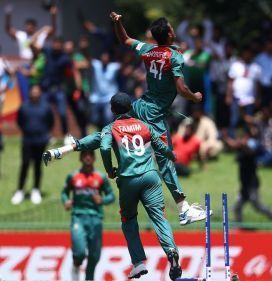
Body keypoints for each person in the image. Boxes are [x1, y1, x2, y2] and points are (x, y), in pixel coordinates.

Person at [43, 13, 208, 226]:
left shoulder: (149, 49)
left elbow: (125, 40)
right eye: (171, 28)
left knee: (109, 131)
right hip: (154, 113)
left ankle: (65, 149)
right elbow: (181, 87)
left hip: (140, 104)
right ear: (169, 33)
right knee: (165, 160)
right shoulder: (174, 57)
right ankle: (183, 209)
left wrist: (118, 22)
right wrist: (194, 97)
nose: (173, 30)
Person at [100, 93, 181, 279]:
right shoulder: (144, 125)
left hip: (128, 179)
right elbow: (161, 147)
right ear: (130, 108)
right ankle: (171, 252)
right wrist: (171, 155)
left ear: (113, 110)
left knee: (128, 219)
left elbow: (104, 148)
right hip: (150, 176)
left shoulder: (111, 127)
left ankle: (138, 263)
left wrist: (109, 169)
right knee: (159, 217)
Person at [61, 151, 115, 281]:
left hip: (95, 218)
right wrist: (66, 201)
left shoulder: (100, 177)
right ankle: (75, 265)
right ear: (81, 158)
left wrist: (102, 200)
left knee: (94, 255)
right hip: (78, 217)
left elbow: (111, 196)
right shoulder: (73, 176)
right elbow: (64, 192)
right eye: (84, 155)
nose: (87, 157)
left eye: (90, 155)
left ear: (94, 158)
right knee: (79, 252)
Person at [226, 121, 272, 223]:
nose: (239, 136)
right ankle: (240, 226)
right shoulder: (242, 144)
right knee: (238, 207)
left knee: (257, 205)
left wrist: (241, 144)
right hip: (245, 183)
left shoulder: (253, 143)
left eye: (242, 135)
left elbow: (249, 151)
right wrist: (225, 138)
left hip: (252, 183)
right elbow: (233, 145)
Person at [12, 85, 54, 205]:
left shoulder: (46, 107)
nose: (35, 93)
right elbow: (20, 121)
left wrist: (44, 134)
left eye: (37, 91)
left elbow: (50, 122)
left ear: (40, 93)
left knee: (37, 165)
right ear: (30, 93)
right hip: (27, 141)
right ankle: (20, 191)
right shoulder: (24, 107)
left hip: (41, 141)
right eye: (33, 91)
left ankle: (36, 190)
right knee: (25, 164)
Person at [40, 37, 73, 143]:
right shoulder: (47, 52)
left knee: (63, 113)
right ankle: (47, 135)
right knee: (45, 112)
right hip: (46, 89)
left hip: (58, 89)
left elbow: (69, 73)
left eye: (59, 44)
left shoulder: (65, 58)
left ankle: (66, 135)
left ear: (61, 45)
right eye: (55, 43)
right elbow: (33, 47)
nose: (56, 45)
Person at [226, 46, 261, 137]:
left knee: (249, 120)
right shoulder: (235, 65)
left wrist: (257, 98)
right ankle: (232, 139)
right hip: (236, 97)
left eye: (249, 53)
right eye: (245, 53)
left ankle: (247, 140)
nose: (247, 55)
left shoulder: (255, 67)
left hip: (250, 99)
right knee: (234, 119)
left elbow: (257, 85)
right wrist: (228, 96)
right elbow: (230, 82)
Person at [89, 51, 120, 130]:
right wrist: (84, 49)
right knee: (94, 118)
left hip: (109, 97)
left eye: (106, 57)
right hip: (96, 97)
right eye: (103, 57)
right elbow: (88, 59)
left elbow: (124, 64)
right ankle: (98, 131)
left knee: (108, 118)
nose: (105, 59)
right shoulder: (96, 65)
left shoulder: (113, 67)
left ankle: (107, 133)